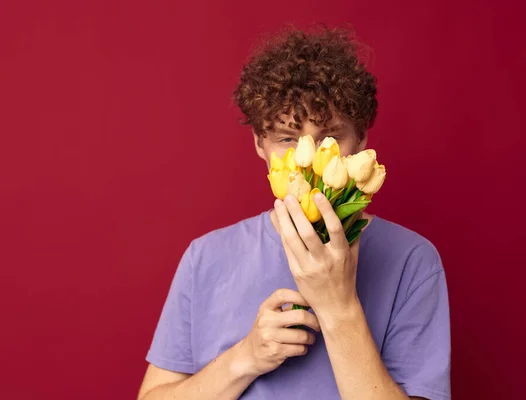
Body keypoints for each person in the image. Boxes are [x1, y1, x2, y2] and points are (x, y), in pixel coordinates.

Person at [137, 26, 450, 400]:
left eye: (331, 138)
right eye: (287, 139)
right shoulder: (204, 258)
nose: (313, 160)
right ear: (259, 144)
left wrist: (340, 308)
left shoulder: (412, 260)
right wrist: (246, 356)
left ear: (362, 141)